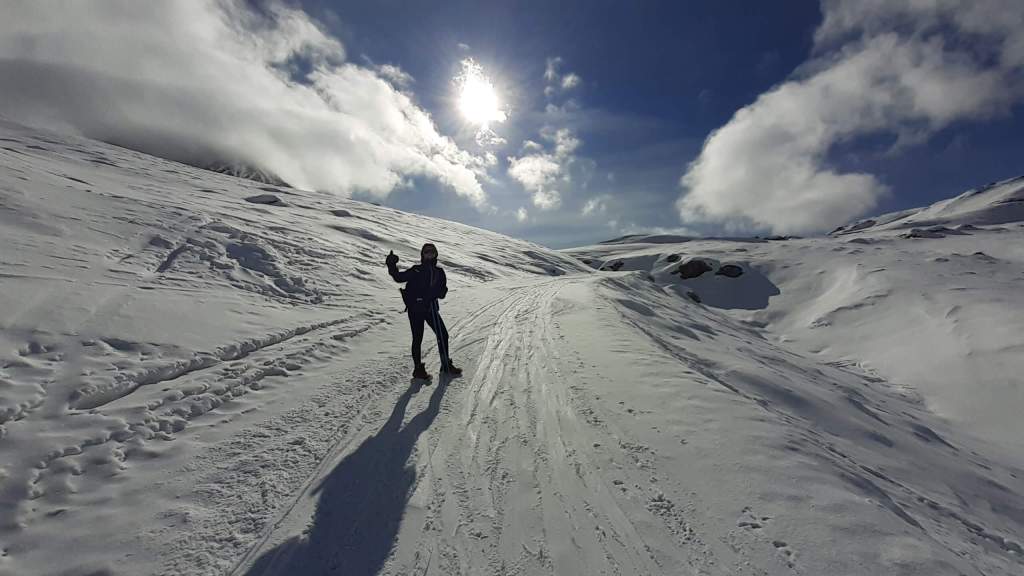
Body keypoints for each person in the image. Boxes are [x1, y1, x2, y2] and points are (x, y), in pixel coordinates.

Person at [386, 243, 462, 380]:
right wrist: (391, 265)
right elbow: (399, 277)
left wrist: (442, 292)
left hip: (430, 308)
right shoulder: (416, 270)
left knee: (443, 335)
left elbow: (442, 289)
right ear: (422, 255)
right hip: (415, 309)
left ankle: (446, 364)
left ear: (435, 254)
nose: (429, 254)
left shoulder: (439, 272)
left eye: (432, 252)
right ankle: (418, 370)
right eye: (427, 252)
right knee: (417, 338)